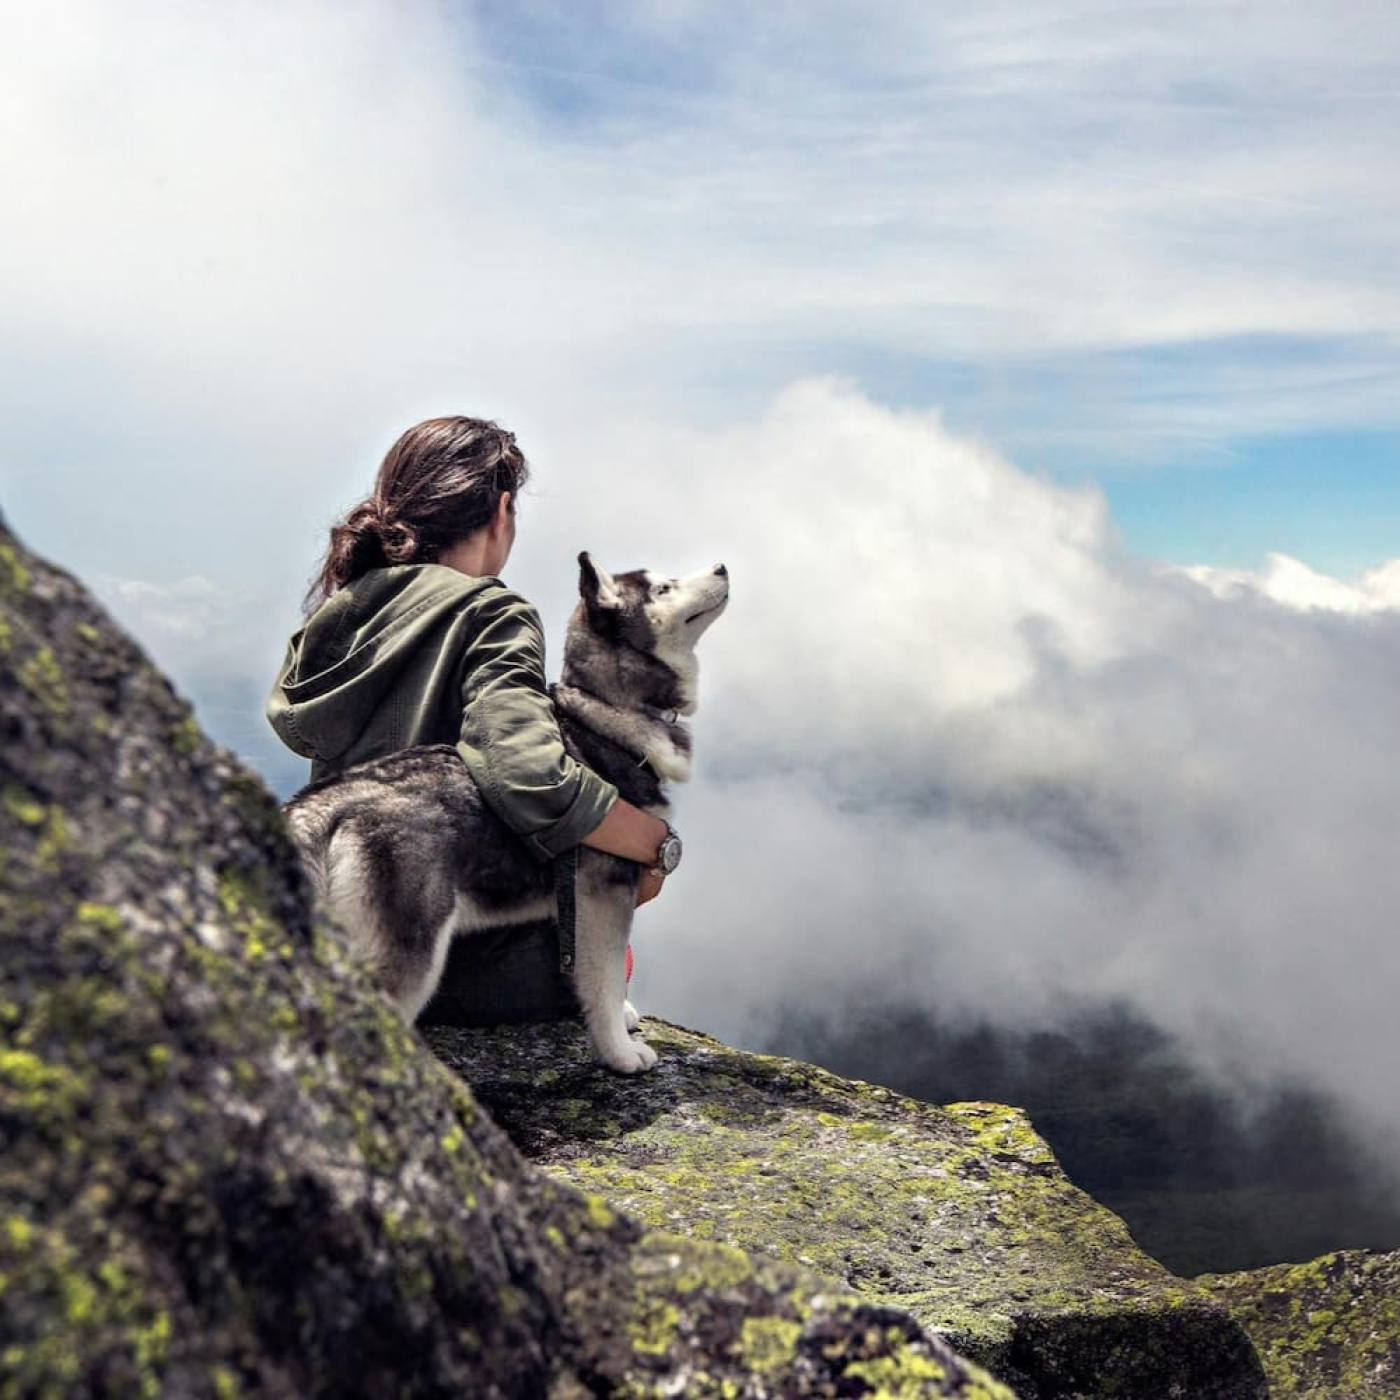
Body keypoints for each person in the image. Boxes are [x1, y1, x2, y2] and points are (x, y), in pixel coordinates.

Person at [266, 415, 673, 1018]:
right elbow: (524, 767)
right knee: (606, 947)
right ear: (502, 509)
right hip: (467, 970)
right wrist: (653, 842)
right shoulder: (490, 611)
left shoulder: (339, 615)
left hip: (347, 950)